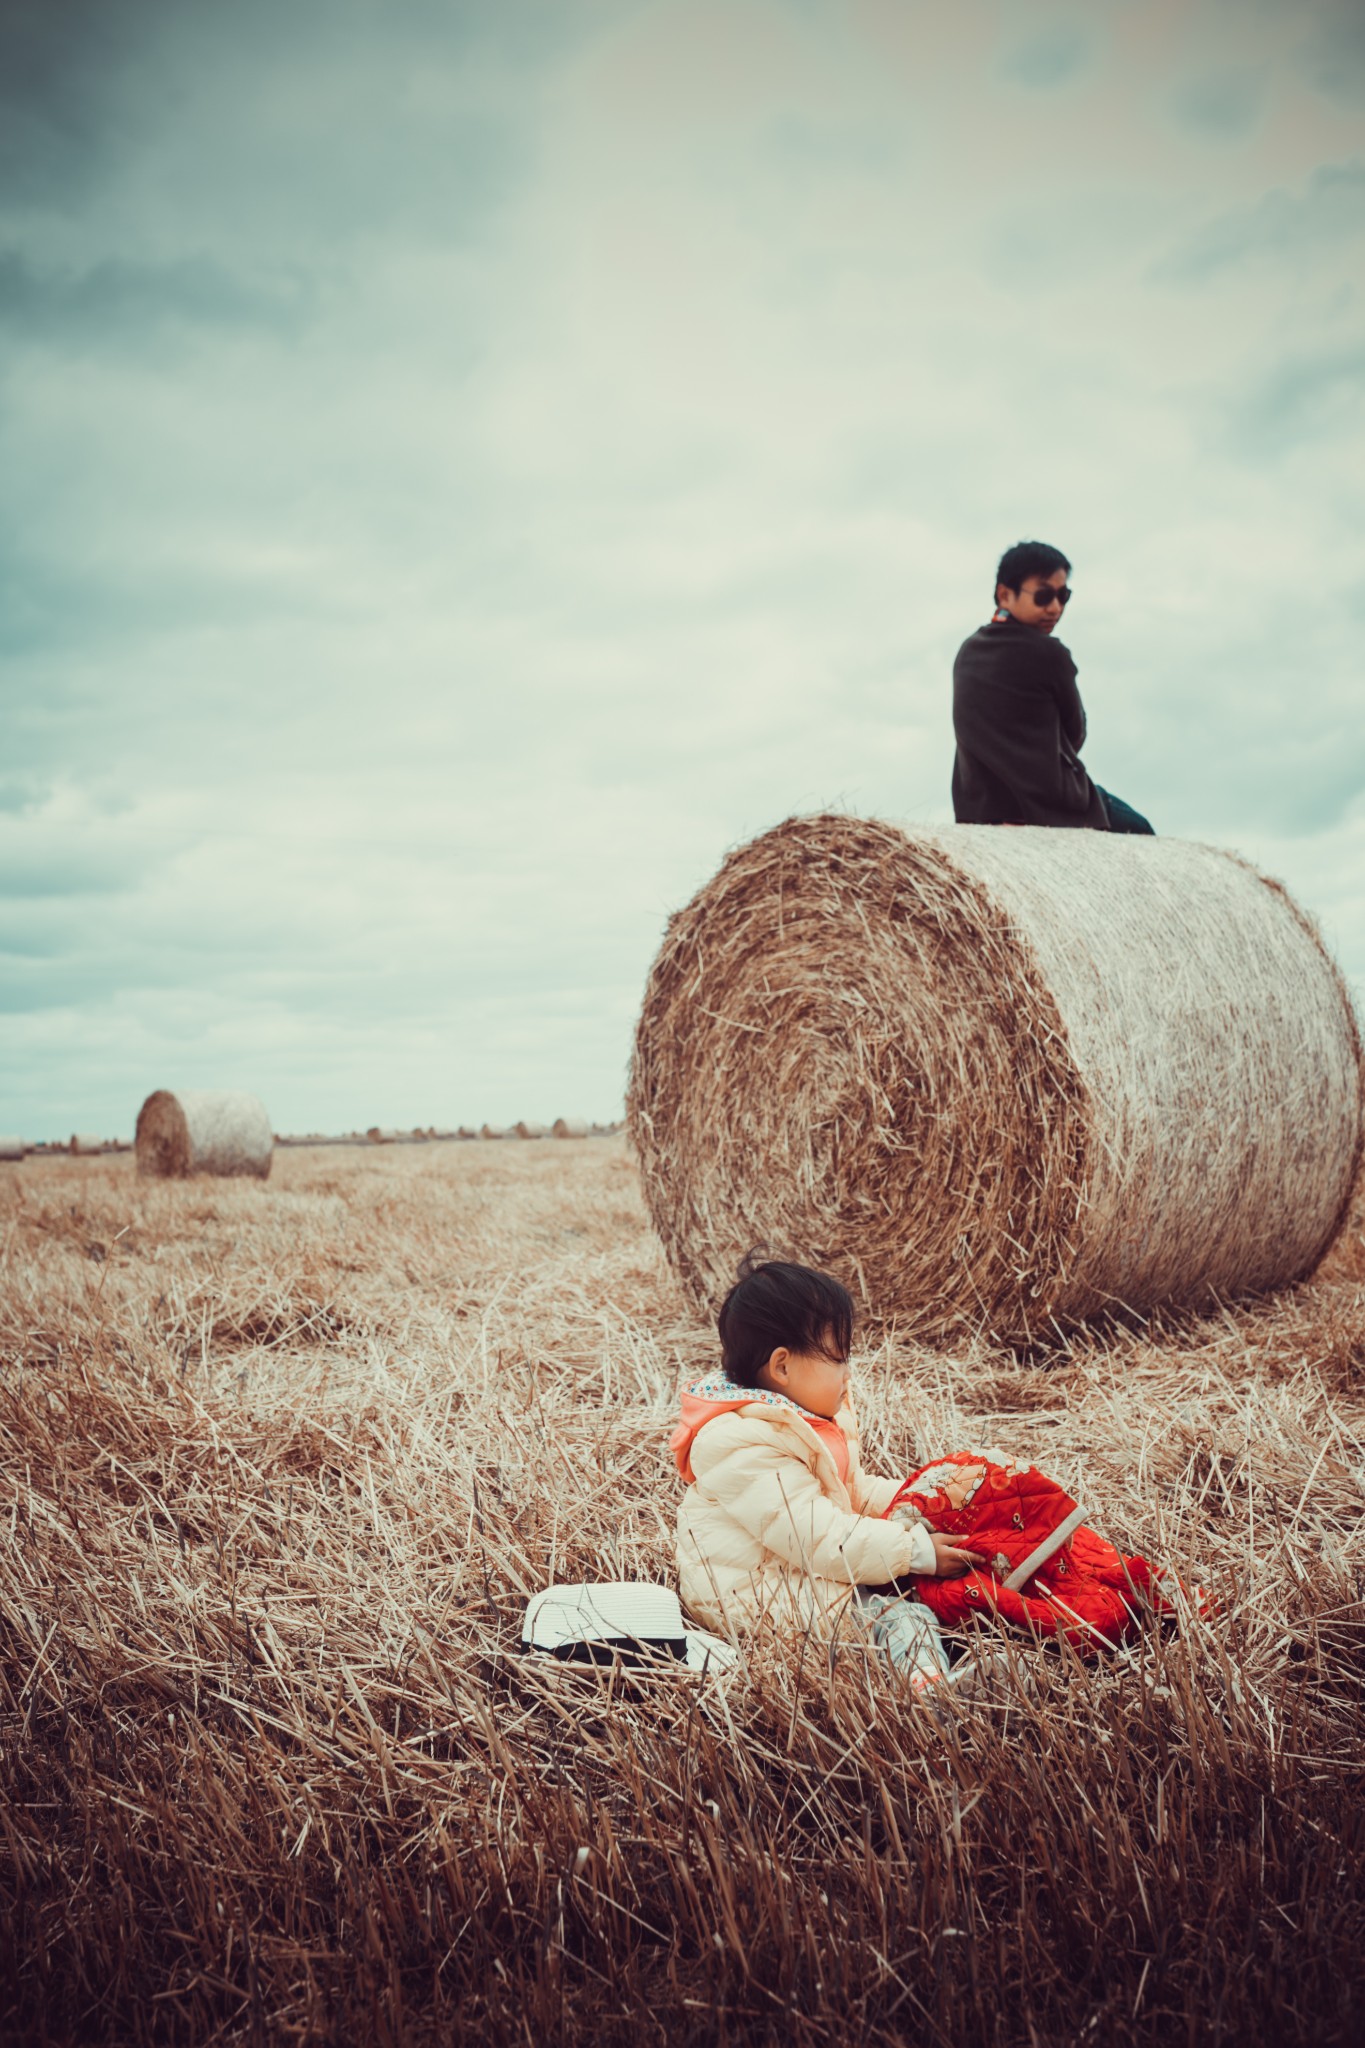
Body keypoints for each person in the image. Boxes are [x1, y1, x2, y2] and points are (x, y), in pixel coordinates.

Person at [670, 1256, 993, 1701]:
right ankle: (934, 1696)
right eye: (839, 1357)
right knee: (897, 1615)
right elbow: (816, 1535)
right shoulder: (741, 1441)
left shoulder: (799, 1418)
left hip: (794, 1568)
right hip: (754, 1593)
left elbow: (851, 1491)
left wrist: (918, 1502)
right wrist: (914, 1549)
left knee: (929, 1589)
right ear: (782, 1368)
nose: (848, 1372)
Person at [951, 539, 1154, 834]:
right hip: (1047, 807)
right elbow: (1076, 733)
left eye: (1063, 595)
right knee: (1141, 830)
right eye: (1044, 595)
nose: (1055, 607)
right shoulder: (1050, 653)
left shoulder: (967, 651)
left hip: (980, 811)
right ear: (1005, 595)